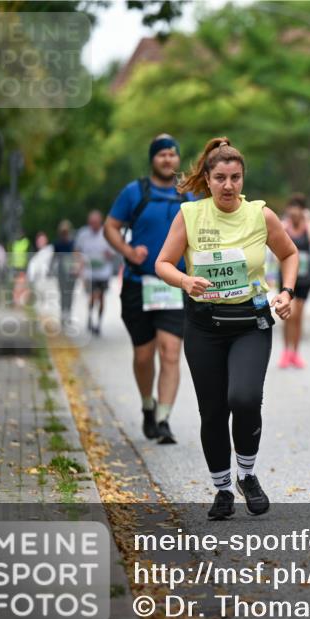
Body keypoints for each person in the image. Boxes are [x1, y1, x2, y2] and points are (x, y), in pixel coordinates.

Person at [156, 137, 299, 520]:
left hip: (250, 322)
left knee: (245, 397)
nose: (228, 185)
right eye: (220, 177)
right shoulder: (190, 215)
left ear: (242, 178)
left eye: (235, 177)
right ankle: (222, 488)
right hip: (204, 326)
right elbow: (164, 263)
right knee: (213, 410)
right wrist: (186, 282)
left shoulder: (260, 215)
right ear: (207, 178)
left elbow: (289, 253)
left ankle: (247, 475)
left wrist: (287, 292)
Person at [104, 134, 194, 444]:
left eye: (172, 154)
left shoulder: (189, 197)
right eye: (161, 155)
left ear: (178, 159)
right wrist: (128, 253)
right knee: (144, 355)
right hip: (137, 283)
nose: (168, 159)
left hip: (175, 286)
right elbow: (110, 227)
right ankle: (147, 405)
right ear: (152, 159)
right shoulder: (135, 192)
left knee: (170, 352)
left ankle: (164, 418)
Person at [278, 193, 310, 369]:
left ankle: (295, 352)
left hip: (304, 278)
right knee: (289, 314)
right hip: (288, 277)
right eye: (292, 207)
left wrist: (308, 221)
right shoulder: (284, 226)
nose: (294, 211)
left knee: (298, 317)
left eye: (298, 207)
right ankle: (285, 351)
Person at [74, 210, 115, 335]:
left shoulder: (106, 233)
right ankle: (90, 317)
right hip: (89, 272)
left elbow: (113, 252)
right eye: (92, 223)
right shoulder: (83, 234)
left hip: (103, 272)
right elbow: (77, 251)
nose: (94, 225)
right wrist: (79, 263)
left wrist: (109, 255)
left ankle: (99, 322)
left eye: (96, 223)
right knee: (92, 296)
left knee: (101, 297)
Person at [51, 221, 78, 325]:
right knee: (63, 293)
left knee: (70, 293)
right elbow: (55, 257)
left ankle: (68, 313)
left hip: (71, 271)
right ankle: (63, 313)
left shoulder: (72, 243)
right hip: (62, 271)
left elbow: (76, 256)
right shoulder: (57, 243)